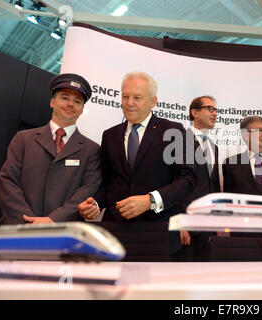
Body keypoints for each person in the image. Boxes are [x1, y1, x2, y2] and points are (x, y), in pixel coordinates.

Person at [78, 71, 196, 258]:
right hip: (114, 232)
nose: (129, 102)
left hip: (157, 231)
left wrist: (150, 200)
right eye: (125, 96)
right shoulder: (110, 135)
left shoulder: (173, 130)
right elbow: (108, 182)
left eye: (137, 97)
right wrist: (96, 203)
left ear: (153, 101)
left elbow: (187, 178)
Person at [0, 73, 101, 224]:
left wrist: (53, 219)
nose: (71, 104)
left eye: (77, 101)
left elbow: (88, 190)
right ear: (52, 102)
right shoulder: (23, 139)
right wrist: (28, 220)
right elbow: (8, 181)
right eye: (65, 98)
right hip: (18, 228)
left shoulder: (92, 150)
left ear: (82, 109)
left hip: (63, 233)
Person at [177, 95, 221, 261]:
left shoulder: (214, 148)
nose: (215, 113)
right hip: (185, 226)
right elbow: (172, 183)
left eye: (216, 110)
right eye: (210, 109)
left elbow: (213, 186)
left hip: (208, 227)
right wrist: (179, 223)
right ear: (194, 112)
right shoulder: (178, 140)